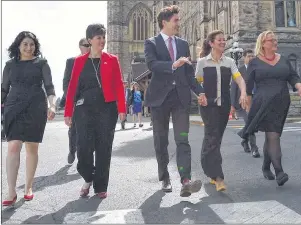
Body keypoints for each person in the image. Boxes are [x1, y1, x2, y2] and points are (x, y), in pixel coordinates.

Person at [144, 5, 205, 197]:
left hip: (180, 98)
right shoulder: (151, 43)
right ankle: (164, 178)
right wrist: (172, 64)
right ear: (165, 22)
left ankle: (185, 180)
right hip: (159, 99)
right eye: (176, 20)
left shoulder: (183, 44)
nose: (179, 23)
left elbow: (188, 73)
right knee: (161, 141)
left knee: (182, 139)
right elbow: (152, 65)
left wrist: (200, 92)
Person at [64, 24, 126, 198]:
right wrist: (68, 111)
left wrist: (121, 108)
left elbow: (118, 85)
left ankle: (100, 186)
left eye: (103, 37)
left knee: (103, 148)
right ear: (90, 40)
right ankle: (88, 176)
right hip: (84, 109)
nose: (102, 40)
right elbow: (72, 87)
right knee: (83, 147)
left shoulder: (112, 59)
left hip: (107, 108)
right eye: (98, 37)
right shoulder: (79, 61)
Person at [238, 30, 301, 186]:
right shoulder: (255, 62)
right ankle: (279, 171)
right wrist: (247, 102)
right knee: (273, 136)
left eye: (275, 39)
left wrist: (298, 86)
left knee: (272, 136)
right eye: (271, 40)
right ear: (263, 43)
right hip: (263, 104)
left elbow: (292, 76)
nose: (275, 42)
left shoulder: (283, 59)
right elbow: (249, 85)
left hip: (281, 102)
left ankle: (266, 166)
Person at [1, 31, 56, 206]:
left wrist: (52, 105)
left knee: (32, 148)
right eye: (25, 44)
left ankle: (29, 187)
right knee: (13, 146)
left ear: (35, 47)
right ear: (18, 45)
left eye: (31, 44)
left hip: (35, 107)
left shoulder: (42, 63)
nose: (28, 47)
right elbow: (3, 89)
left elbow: (49, 87)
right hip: (13, 107)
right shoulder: (10, 65)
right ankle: (11, 191)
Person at [195, 30, 248, 192]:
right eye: (220, 40)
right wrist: (200, 95)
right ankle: (218, 177)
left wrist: (243, 93)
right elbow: (197, 83)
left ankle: (207, 166)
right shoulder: (203, 62)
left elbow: (238, 78)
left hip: (224, 105)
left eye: (224, 40)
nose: (223, 42)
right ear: (211, 43)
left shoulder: (230, 62)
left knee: (215, 139)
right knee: (212, 136)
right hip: (208, 106)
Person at [60, 38, 90, 164]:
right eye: (86, 45)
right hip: (75, 100)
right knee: (74, 130)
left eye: (90, 45)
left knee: (89, 130)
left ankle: (84, 158)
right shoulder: (71, 61)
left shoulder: (95, 62)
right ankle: (72, 151)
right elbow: (66, 82)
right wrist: (71, 98)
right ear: (80, 47)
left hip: (90, 101)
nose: (88, 47)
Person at [230, 49, 260, 158]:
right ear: (244, 58)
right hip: (242, 102)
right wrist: (232, 105)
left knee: (252, 123)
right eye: (249, 56)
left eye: (253, 56)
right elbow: (233, 88)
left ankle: (244, 139)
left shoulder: (258, 70)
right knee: (251, 122)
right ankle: (254, 148)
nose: (251, 58)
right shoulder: (239, 71)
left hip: (255, 102)